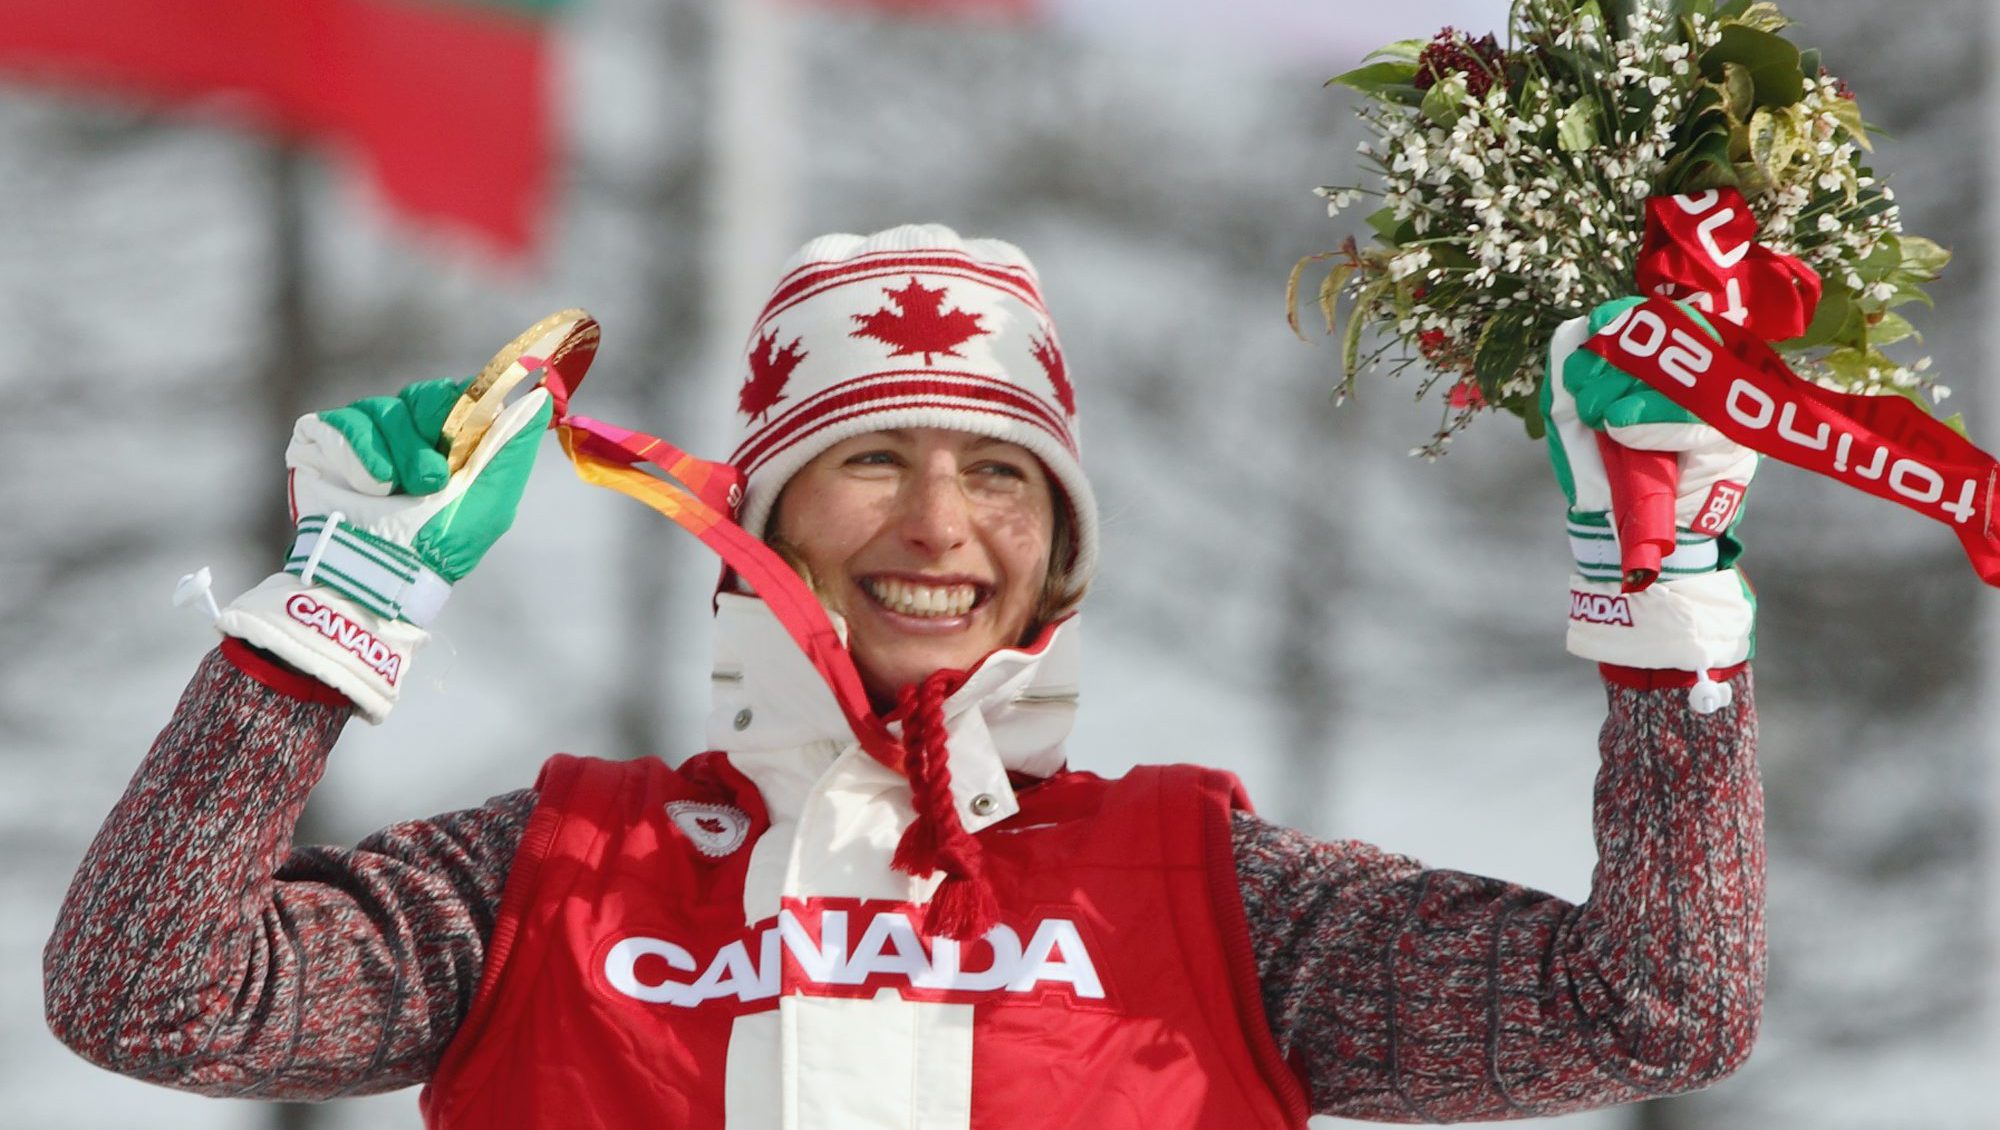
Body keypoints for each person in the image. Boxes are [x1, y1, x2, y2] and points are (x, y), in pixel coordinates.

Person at [44, 225, 1765, 1127]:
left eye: (1002, 471)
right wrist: (332, 611)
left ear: (1062, 547)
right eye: (871, 460)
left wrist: (1666, 595)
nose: (941, 520)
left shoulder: (1224, 901)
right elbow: (147, 997)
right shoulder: (549, 878)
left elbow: (1659, 1009)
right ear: (759, 519)